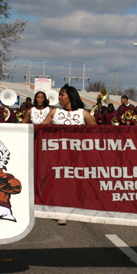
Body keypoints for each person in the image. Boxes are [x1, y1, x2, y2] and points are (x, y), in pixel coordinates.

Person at [43, 84, 96, 225]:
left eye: (62, 94)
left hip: (77, 155)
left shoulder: (83, 114)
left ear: (71, 96)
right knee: (60, 182)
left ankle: (79, 207)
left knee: (75, 183)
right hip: (58, 155)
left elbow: (97, 132)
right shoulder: (54, 112)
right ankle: (61, 212)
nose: (59, 97)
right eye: (59, 94)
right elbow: (41, 130)